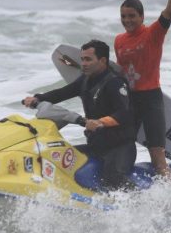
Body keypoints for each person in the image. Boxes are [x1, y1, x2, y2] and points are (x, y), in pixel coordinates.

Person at [23, 40, 136, 190]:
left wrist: (101, 122)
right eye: (82, 59)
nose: (83, 64)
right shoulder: (85, 80)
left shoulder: (115, 83)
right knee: (56, 159)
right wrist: (37, 99)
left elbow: (125, 114)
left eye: (88, 59)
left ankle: (139, 204)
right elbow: (62, 93)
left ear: (102, 60)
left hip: (120, 148)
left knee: (112, 179)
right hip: (96, 145)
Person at [114, 0, 171, 177]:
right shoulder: (119, 40)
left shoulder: (153, 33)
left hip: (151, 99)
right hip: (129, 100)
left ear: (142, 17)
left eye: (132, 16)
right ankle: (121, 183)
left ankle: (170, 195)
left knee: (157, 154)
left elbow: (169, 11)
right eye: (124, 16)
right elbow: (121, 71)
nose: (127, 20)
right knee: (122, 146)